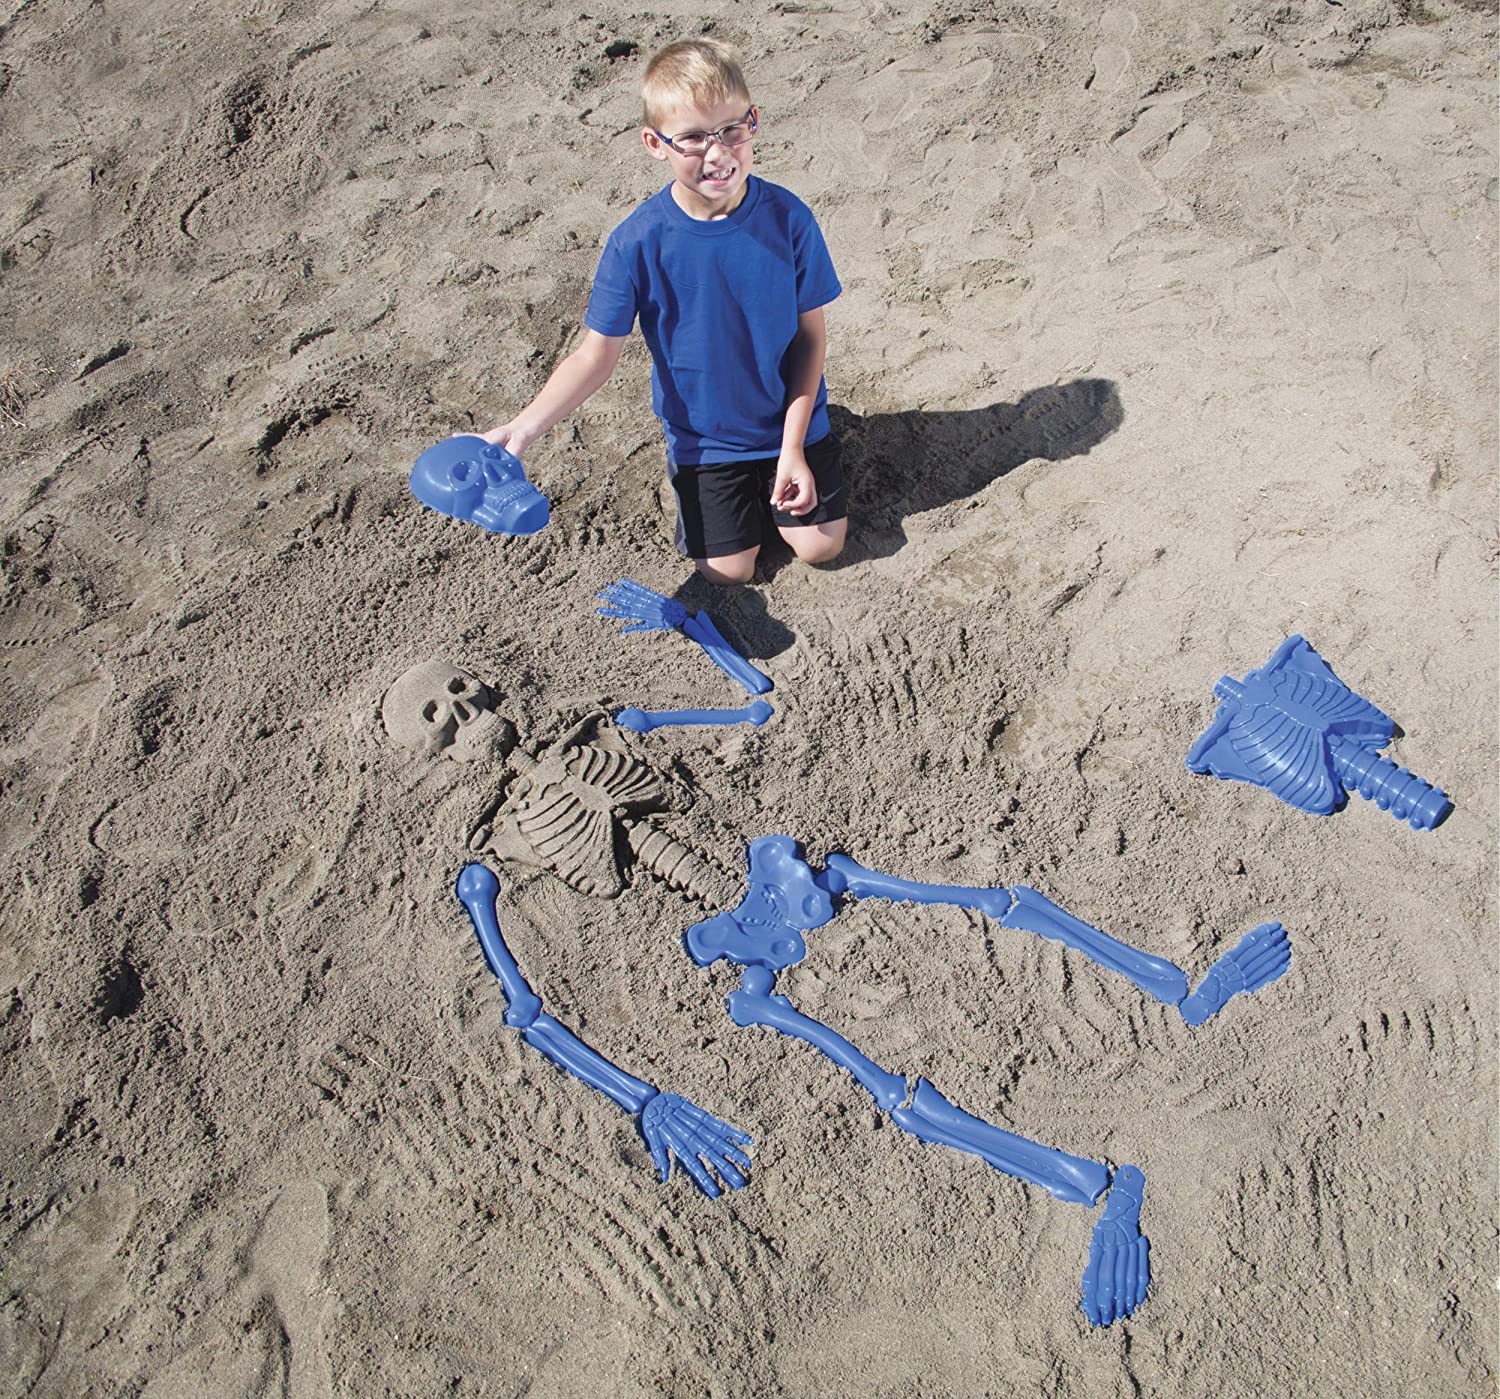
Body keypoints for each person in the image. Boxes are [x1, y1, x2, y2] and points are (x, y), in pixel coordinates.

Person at [474, 38, 846, 585]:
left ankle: (795, 462)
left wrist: (793, 447)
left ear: (754, 122)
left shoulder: (789, 218)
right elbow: (594, 357)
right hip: (707, 438)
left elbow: (810, 341)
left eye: (731, 130)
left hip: (790, 422)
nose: (717, 154)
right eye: (692, 138)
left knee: (820, 548)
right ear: (655, 143)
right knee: (728, 573)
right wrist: (525, 428)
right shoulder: (635, 242)